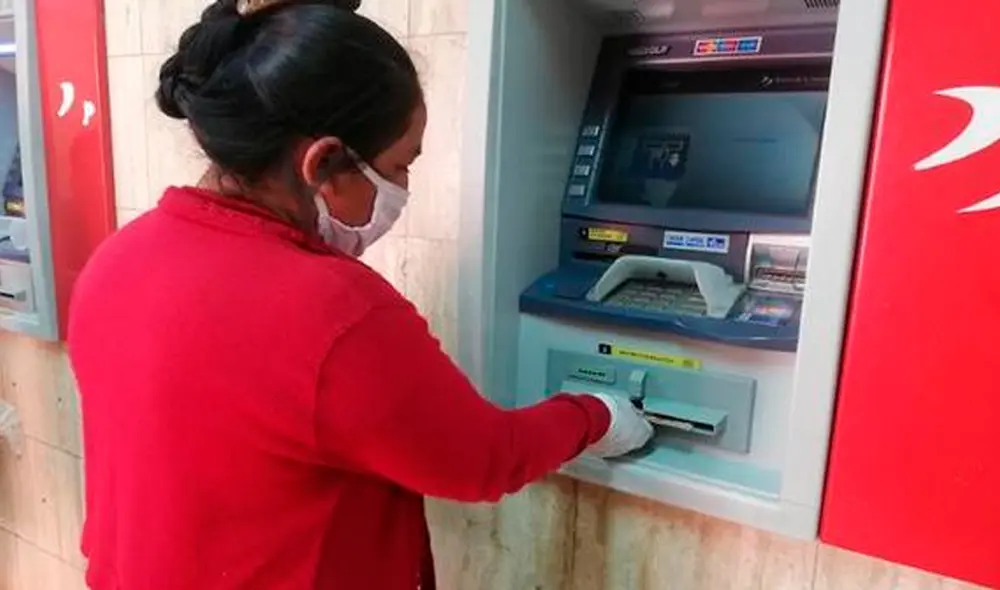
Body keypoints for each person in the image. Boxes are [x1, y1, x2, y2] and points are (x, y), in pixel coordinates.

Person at [66, 0, 654, 588]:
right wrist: (598, 415)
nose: (402, 189)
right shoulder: (333, 311)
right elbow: (482, 459)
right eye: (398, 166)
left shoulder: (116, 261)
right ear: (322, 161)